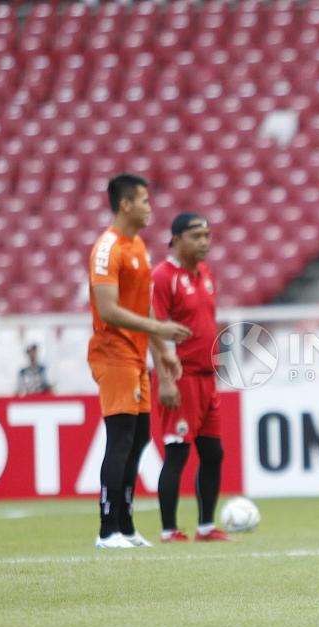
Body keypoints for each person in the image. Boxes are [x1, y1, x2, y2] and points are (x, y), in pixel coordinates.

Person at [88, 174, 191, 549]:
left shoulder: (138, 247)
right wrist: (158, 327)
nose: (150, 207)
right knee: (120, 440)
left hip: (135, 354)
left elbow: (141, 302)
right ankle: (106, 530)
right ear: (126, 204)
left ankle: (126, 527)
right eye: (145, 201)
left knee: (140, 438)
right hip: (113, 354)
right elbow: (109, 309)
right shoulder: (107, 248)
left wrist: (162, 350)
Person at [152, 213, 228, 543]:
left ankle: (206, 527)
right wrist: (166, 379)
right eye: (197, 236)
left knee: (213, 452)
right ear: (176, 239)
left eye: (208, 235)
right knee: (177, 452)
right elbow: (152, 328)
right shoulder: (162, 276)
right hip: (180, 376)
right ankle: (169, 530)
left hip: (207, 377)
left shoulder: (206, 273)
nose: (205, 242)